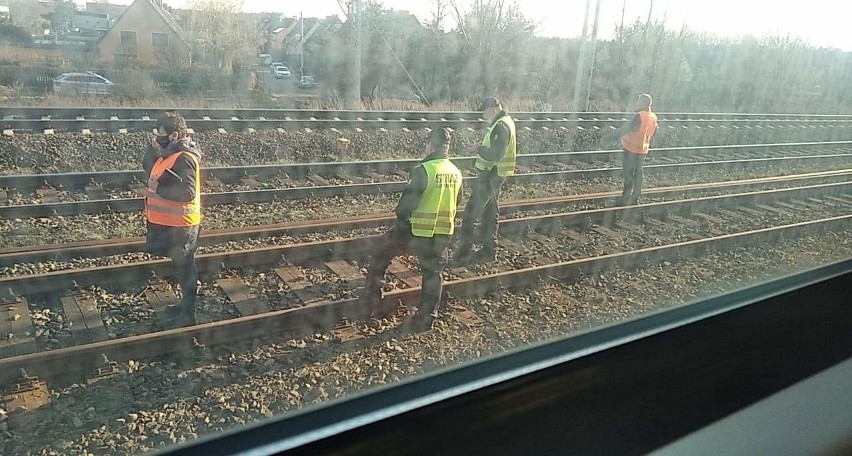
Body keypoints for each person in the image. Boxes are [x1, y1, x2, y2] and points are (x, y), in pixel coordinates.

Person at [361, 127, 463, 331]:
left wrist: (401, 220)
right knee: (433, 273)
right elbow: (457, 200)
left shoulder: (423, 170)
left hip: (415, 232)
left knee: (380, 253)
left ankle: (373, 300)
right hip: (442, 233)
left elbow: (406, 206)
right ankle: (428, 316)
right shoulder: (455, 171)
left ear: (430, 145)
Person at [143, 112, 203, 327]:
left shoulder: (184, 157)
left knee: (185, 267)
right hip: (174, 225)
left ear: (175, 135)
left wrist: (159, 188)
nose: (158, 137)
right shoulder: (171, 153)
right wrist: (152, 149)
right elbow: (151, 171)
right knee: (181, 267)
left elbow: (187, 191)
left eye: (161, 134)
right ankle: (185, 306)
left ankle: (188, 313)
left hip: (182, 226)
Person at [452, 97, 516, 265]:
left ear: (495, 108)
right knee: (490, 213)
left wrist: (478, 149)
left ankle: (463, 252)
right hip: (495, 175)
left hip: (490, 176)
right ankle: (489, 250)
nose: (483, 114)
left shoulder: (501, 126)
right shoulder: (504, 121)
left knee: (470, 213)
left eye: (485, 111)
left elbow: (496, 153)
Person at [606, 93, 659, 206]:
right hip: (643, 150)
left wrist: (609, 138)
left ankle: (625, 199)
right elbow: (654, 133)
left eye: (639, 101)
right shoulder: (653, 117)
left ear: (643, 103)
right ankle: (635, 198)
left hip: (630, 149)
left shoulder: (638, 116)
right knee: (639, 173)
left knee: (629, 174)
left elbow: (625, 129)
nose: (637, 103)